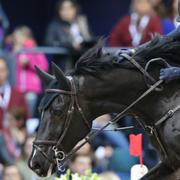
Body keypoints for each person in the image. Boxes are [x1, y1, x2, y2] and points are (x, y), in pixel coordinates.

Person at [45, 0, 93, 69]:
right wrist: (70, 45)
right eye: (63, 9)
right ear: (59, 11)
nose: (66, 12)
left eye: (69, 8)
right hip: (64, 65)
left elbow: (90, 37)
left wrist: (88, 43)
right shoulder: (54, 25)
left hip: (83, 63)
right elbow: (49, 42)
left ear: (75, 9)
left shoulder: (82, 22)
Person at [12, 26, 49, 116]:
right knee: (17, 112)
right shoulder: (16, 50)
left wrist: (29, 63)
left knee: (29, 110)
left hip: (31, 88)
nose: (16, 39)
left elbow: (44, 67)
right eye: (15, 37)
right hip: (18, 88)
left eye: (18, 37)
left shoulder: (34, 49)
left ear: (26, 36)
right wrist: (14, 54)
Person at [0, 56, 28, 129]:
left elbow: (25, 117)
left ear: (7, 71)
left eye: (2, 70)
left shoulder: (17, 94)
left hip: (14, 135)